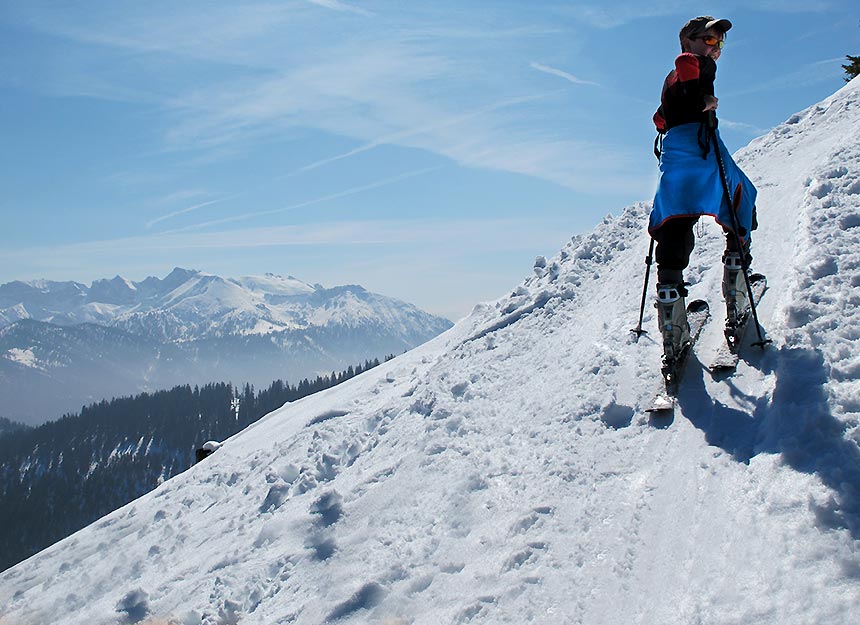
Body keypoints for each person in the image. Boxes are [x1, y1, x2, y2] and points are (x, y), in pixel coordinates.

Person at [649, 15, 758, 366]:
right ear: (689, 43)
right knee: (741, 200)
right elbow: (693, 86)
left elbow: (661, 118)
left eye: (719, 43)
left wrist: (678, 107)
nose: (716, 48)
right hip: (702, 153)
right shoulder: (693, 64)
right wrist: (706, 102)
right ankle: (737, 294)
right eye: (709, 40)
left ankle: (672, 322)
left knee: (675, 223)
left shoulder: (672, 77)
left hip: (675, 162)